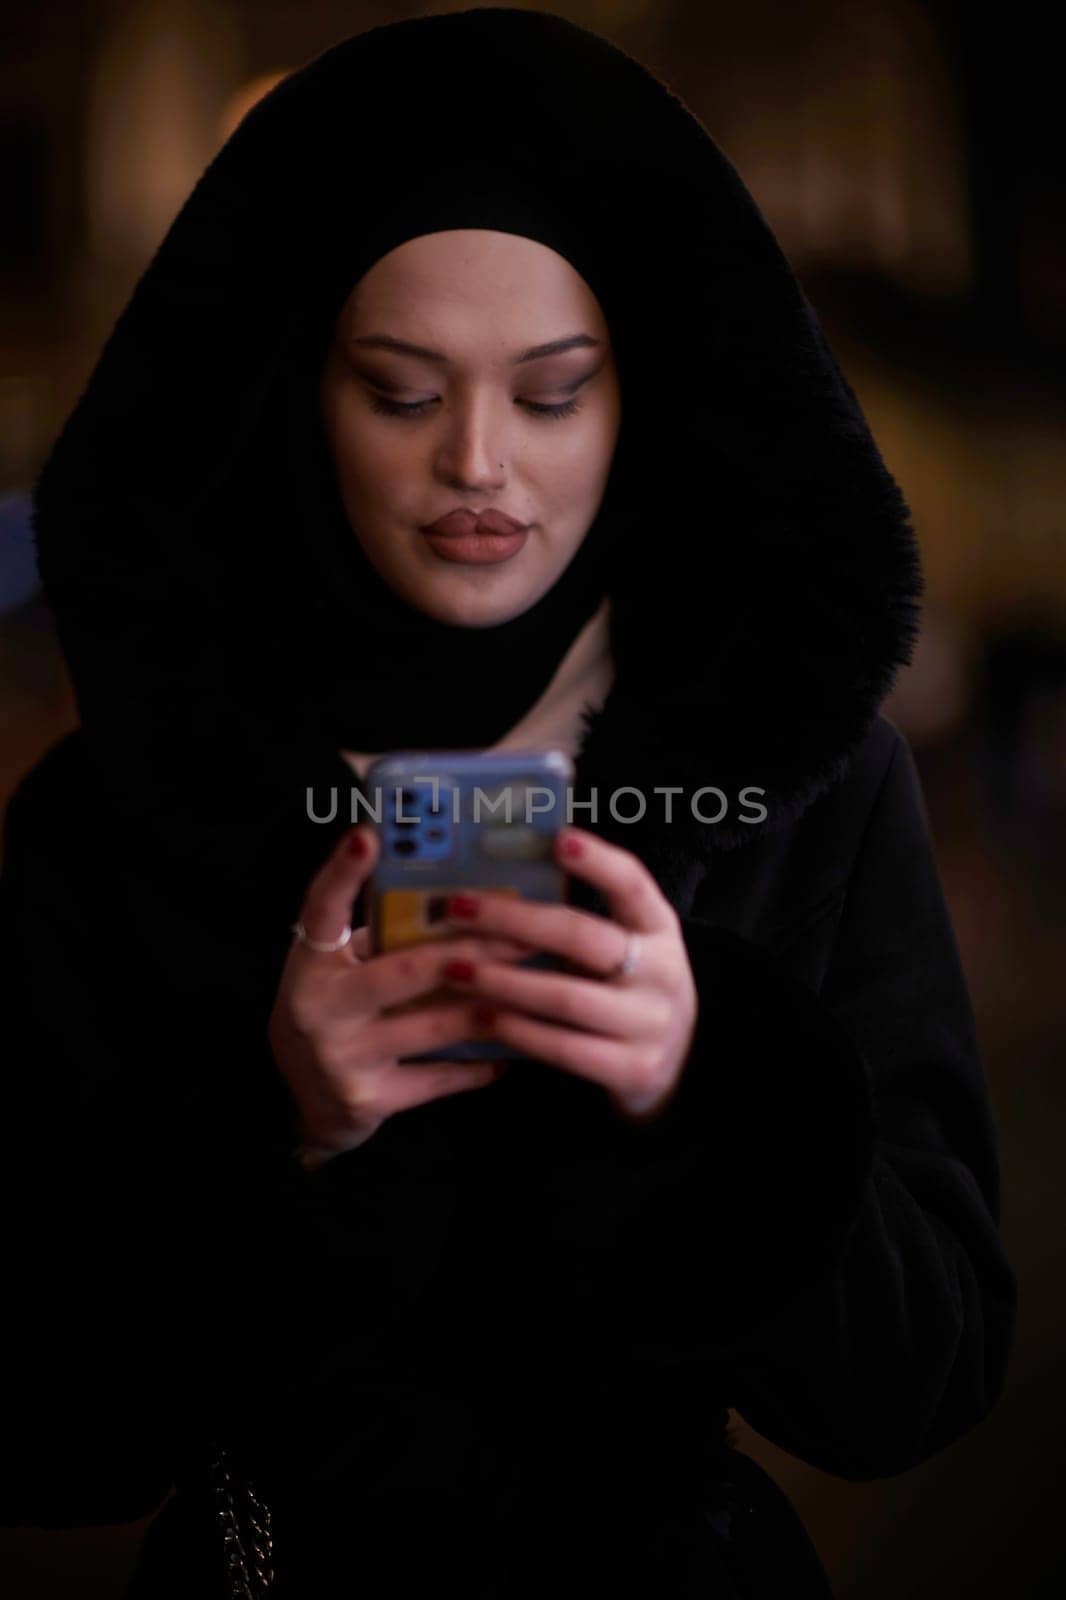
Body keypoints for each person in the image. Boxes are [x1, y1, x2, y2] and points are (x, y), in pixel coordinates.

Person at [1, 9, 1016, 1598]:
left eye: (551, 393)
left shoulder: (803, 786)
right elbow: (44, 1438)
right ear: (299, 396)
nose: (477, 463)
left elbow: (919, 1382)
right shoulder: (115, 813)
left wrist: (708, 1090)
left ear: (644, 403)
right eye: (401, 391)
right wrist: (279, 1131)